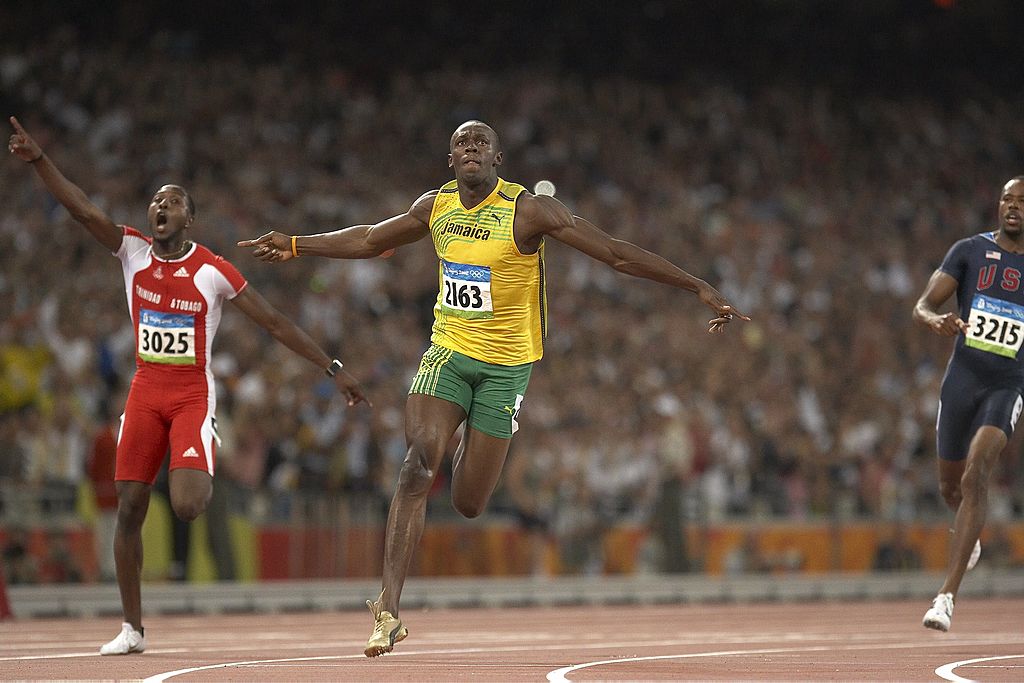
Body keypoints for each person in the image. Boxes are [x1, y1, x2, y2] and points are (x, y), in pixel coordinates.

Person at [238, 120, 748, 656]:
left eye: (482, 142)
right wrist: (297, 244)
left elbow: (616, 254)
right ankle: (387, 610)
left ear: (499, 159)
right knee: (416, 465)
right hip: (448, 353)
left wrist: (697, 286)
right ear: (450, 160)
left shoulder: (528, 211)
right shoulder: (434, 208)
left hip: (507, 369)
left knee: (469, 502)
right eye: (462, 143)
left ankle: (465, 433)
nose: (472, 148)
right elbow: (369, 239)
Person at [7, 116, 369, 655]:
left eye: (171, 202)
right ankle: (132, 629)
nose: (159, 207)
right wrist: (40, 161)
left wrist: (331, 366)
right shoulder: (130, 251)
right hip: (145, 391)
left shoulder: (212, 270)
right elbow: (83, 209)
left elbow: (273, 322)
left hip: (192, 394)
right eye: (155, 200)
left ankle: (204, 443)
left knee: (189, 506)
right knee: (129, 506)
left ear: (189, 219)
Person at [912, 175, 1024, 631]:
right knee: (950, 489)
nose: (1013, 206)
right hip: (963, 379)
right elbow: (921, 304)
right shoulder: (968, 251)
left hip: (1010, 383)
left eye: (1022, 201)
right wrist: (934, 319)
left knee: (978, 472)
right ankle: (969, 532)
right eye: (1006, 199)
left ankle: (945, 597)